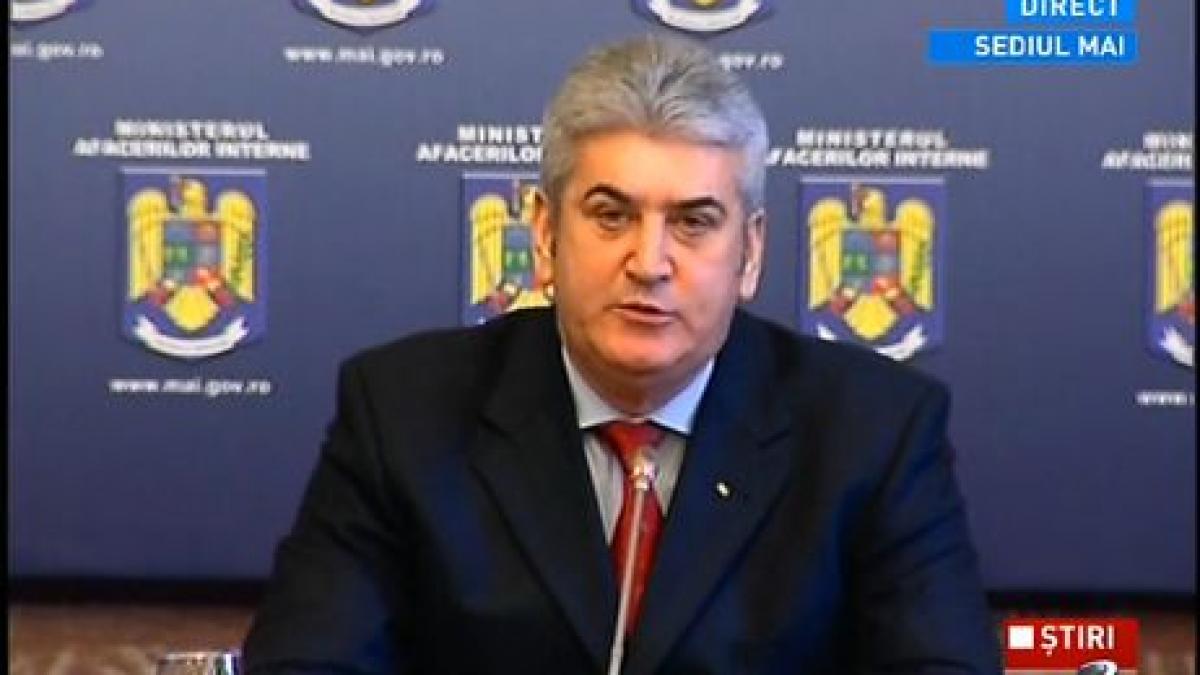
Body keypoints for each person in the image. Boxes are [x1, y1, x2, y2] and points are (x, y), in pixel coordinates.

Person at [243, 34, 1001, 674]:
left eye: (694, 222)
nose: (649, 262)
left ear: (751, 253)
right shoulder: (403, 414)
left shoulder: (873, 432)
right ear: (544, 234)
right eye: (611, 215)